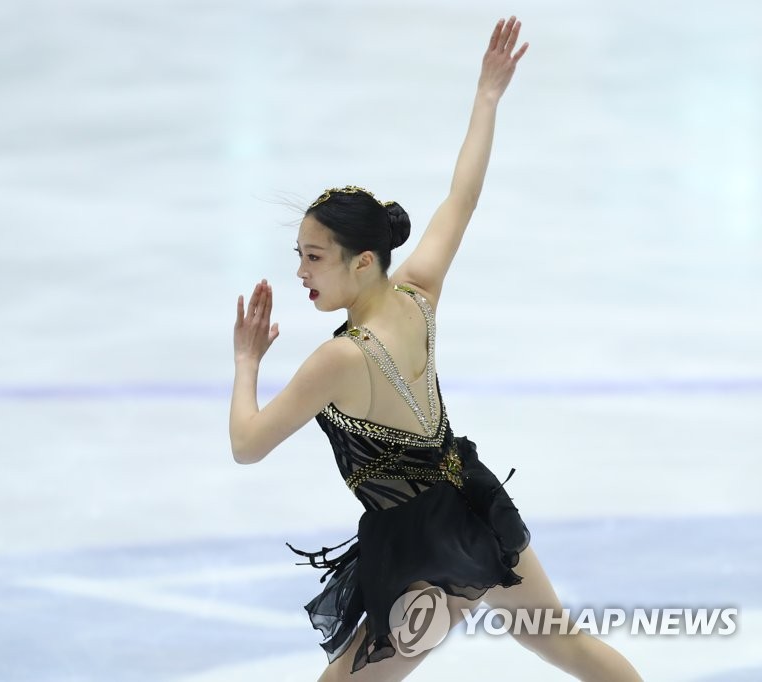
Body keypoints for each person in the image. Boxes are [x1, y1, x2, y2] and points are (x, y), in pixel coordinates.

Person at [229, 16, 643, 682]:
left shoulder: (339, 359)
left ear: (363, 262)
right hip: (474, 503)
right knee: (562, 642)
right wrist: (486, 98)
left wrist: (247, 364)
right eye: (297, 256)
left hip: (426, 545)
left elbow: (247, 445)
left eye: (313, 258)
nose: (301, 272)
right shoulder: (418, 294)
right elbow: (462, 198)